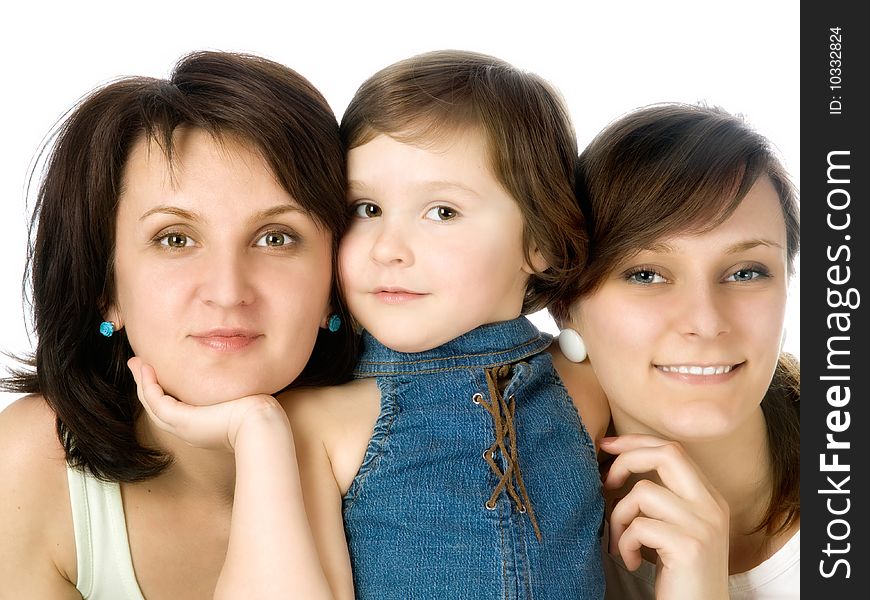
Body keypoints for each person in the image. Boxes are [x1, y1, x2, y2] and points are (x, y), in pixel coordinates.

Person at [135, 50, 610, 599]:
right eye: (366, 209)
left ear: (541, 243)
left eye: (442, 212)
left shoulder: (586, 387)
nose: (389, 249)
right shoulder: (318, 422)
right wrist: (258, 432)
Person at [0, 50, 357, 598]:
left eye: (276, 238)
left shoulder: (421, 443)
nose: (227, 291)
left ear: (334, 281)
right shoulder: (29, 468)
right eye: (175, 239)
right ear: (106, 287)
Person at [549, 103, 801, 599]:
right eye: (646, 275)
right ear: (565, 305)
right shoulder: (519, 541)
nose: (706, 322)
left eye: (746, 271)